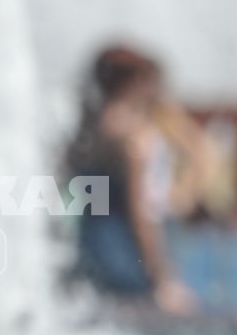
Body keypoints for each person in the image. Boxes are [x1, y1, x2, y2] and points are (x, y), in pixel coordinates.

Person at [63, 45, 200, 315]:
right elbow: (140, 211)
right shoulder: (136, 138)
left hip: (95, 243)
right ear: (135, 83)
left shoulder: (89, 132)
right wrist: (163, 278)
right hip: (129, 248)